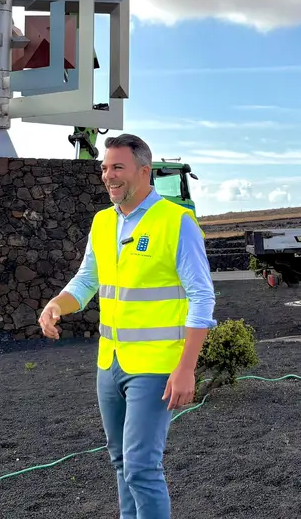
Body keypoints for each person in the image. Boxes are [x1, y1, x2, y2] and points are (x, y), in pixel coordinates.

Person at [38, 133, 216, 519]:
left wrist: (186, 368)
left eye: (117, 167)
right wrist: (56, 305)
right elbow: (86, 281)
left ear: (143, 171)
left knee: (141, 468)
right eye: (105, 168)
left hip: (155, 367)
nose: (108, 175)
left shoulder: (176, 222)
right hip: (110, 363)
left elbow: (202, 298)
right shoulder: (103, 222)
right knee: (121, 462)